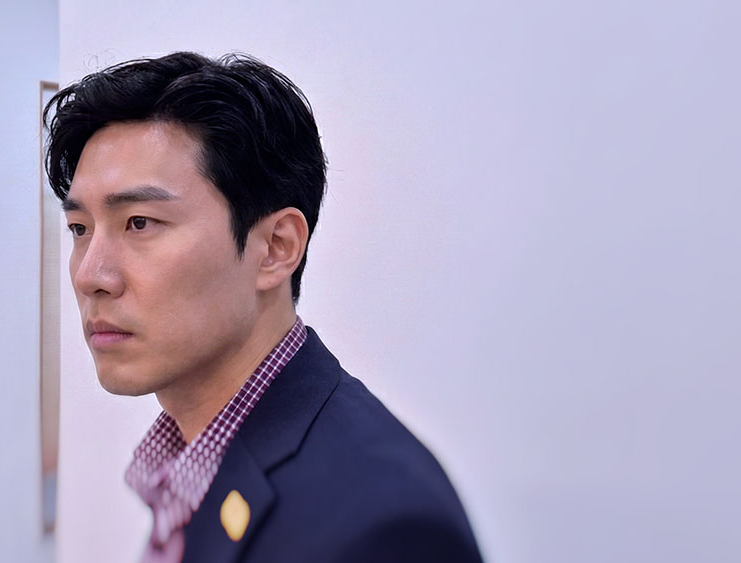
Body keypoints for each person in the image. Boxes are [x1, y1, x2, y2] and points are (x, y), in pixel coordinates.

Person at [43, 52, 482, 563]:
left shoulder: (382, 526)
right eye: (80, 229)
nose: (90, 276)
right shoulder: (198, 462)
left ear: (275, 248)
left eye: (139, 223)